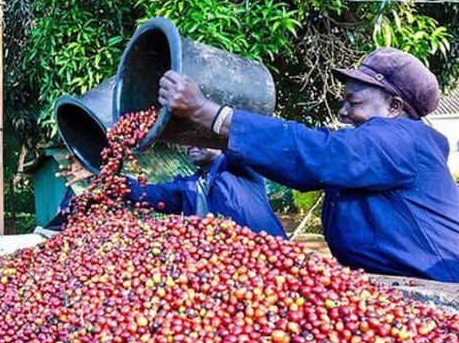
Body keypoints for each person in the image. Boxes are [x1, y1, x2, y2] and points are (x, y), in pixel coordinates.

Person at [157, 47, 459, 282]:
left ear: (394, 107)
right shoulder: (379, 150)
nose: (343, 112)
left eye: (354, 103)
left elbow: (317, 153)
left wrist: (207, 112)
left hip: (435, 284)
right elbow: (303, 161)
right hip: (392, 284)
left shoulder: (404, 139)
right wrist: (216, 133)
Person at [53, 146, 287, 238]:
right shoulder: (188, 187)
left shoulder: (239, 167)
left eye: (199, 136)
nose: (192, 143)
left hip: (270, 258)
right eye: (187, 139)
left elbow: (237, 137)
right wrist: (101, 174)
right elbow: (143, 193)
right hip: (226, 271)